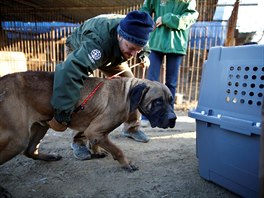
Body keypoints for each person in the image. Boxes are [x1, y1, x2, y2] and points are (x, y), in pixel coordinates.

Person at [48, 11, 155, 160]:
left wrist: (143, 54)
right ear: (120, 35)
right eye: (131, 48)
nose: (134, 54)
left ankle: (131, 128)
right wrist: (61, 114)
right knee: (85, 95)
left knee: (133, 86)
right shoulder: (97, 43)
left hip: (114, 54)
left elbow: (141, 43)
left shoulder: (138, 29)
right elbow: (69, 73)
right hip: (81, 49)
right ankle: (79, 141)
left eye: (138, 49)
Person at [140, 0, 199, 126]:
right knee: (151, 80)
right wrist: (148, 22)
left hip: (176, 43)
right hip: (156, 41)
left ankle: (169, 116)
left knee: (171, 83)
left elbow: (190, 17)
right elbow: (144, 9)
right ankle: (146, 114)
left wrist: (166, 18)